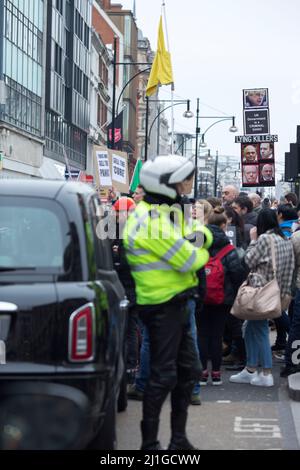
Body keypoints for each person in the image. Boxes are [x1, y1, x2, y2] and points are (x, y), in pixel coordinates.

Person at [123, 155, 213, 451]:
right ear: (163, 185)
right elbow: (193, 257)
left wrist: (197, 236)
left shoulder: (159, 213)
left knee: (188, 372)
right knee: (163, 376)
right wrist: (199, 237)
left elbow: (198, 239)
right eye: (181, 181)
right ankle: (150, 445)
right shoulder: (151, 221)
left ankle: (178, 440)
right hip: (162, 306)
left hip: (174, 304)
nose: (185, 187)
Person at [230, 209, 295, 387]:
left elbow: (248, 261)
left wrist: (252, 240)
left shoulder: (265, 239)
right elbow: (290, 269)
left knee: (259, 329)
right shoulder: (285, 240)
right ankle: (250, 369)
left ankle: (266, 372)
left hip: (260, 293)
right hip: (276, 293)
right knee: (250, 328)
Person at [198, 207, 245, 385]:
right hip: (223, 298)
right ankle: (216, 374)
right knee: (217, 335)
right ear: (224, 225)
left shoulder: (198, 244)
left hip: (201, 296)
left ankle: (202, 373)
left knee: (202, 334)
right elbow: (237, 274)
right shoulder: (228, 248)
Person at [111, 197, 138, 383]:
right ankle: (128, 365)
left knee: (128, 329)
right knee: (127, 329)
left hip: (128, 287)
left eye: (118, 211)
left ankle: (129, 367)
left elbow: (127, 263)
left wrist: (116, 255)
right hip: (126, 287)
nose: (114, 214)